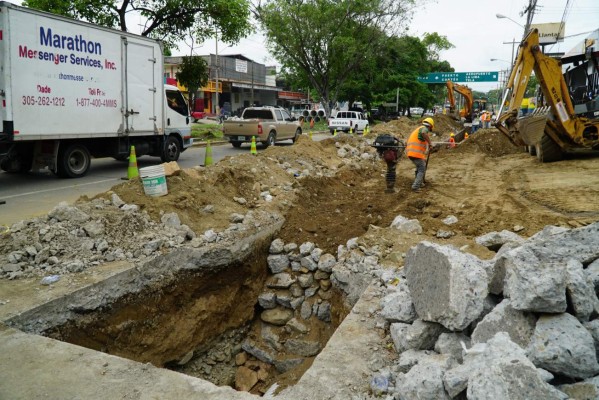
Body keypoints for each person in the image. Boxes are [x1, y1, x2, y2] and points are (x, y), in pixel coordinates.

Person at [406, 117, 434, 193]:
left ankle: (419, 182)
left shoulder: (418, 129)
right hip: (414, 153)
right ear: (430, 126)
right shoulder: (424, 129)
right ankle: (415, 186)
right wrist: (430, 143)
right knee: (422, 168)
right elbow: (424, 133)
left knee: (420, 166)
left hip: (412, 153)